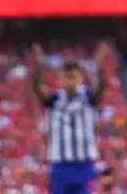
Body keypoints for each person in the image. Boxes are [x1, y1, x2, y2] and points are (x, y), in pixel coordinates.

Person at [29, 45, 102, 194]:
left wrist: (100, 68)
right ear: (60, 79)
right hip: (60, 166)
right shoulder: (54, 100)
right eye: (66, 77)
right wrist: (38, 66)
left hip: (84, 164)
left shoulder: (88, 98)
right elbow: (37, 87)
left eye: (73, 77)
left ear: (81, 78)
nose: (70, 81)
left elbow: (101, 87)